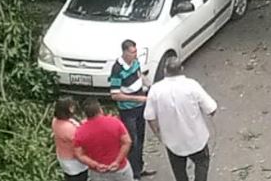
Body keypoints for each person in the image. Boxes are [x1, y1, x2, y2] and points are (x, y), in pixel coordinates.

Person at [144, 57, 218, 181]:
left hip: (173, 141)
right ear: (182, 69)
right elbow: (211, 109)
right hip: (196, 139)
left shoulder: (156, 90)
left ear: (165, 70)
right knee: (202, 163)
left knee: (179, 171)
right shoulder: (191, 85)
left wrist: (158, 134)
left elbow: (150, 117)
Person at [109, 40, 152, 181]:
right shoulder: (117, 69)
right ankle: (134, 175)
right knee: (132, 141)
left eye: (136, 51)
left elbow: (139, 75)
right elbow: (115, 95)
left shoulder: (135, 62)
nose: (135, 54)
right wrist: (138, 99)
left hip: (141, 108)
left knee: (141, 138)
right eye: (133, 52)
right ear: (125, 52)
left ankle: (139, 167)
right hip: (128, 111)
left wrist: (151, 86)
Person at [74, 99, 134, 181]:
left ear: (85, 114)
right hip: (120, 170)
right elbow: (127, 141)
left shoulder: (80, 132)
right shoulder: (115, 122)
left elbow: (79, 154)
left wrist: (95, 165)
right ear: (100, 110)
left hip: (98, 173)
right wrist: (117, 161)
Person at [53, 97, 89, 181]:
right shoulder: (68, 128)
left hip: (64, 156)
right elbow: (82, 142)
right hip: (74, 162)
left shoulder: (56, 121)